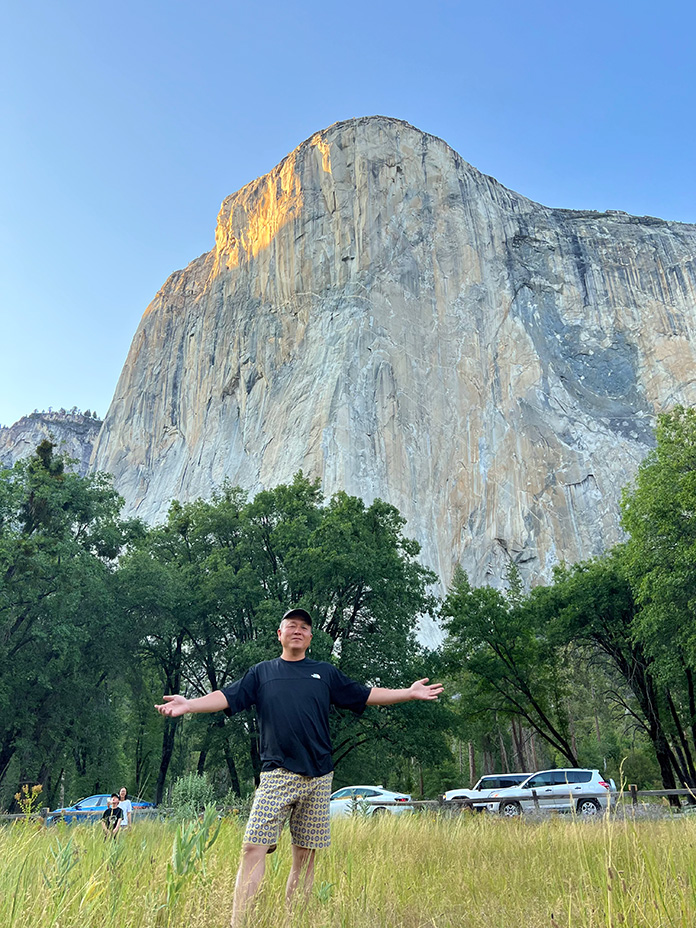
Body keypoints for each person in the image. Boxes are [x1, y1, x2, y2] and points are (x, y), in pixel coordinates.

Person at [155, 606, 443, 926]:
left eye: (304, 627)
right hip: (277, 775)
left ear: (310, 639)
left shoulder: (325, 673)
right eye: (291, 625)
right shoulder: (262, 673)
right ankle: (240, 923)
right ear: (279, 634)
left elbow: (365, 694)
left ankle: (296, 921)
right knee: (253, 847)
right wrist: (190, 704)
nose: (298, 630)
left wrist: (409, 692)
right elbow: (227, 696)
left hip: (319, 778)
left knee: (304, 859)